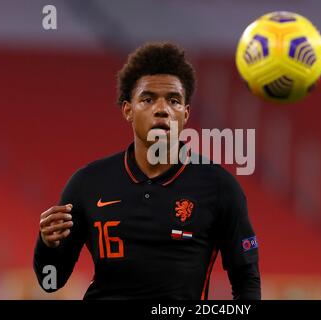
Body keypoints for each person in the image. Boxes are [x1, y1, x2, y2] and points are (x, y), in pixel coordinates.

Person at [33, 42, 261, 299]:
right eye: (148, 99)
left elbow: (246, 280)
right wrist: (48, 245)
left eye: (173, 100)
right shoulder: (88, 183)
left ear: (185, 114)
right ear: (128, 110)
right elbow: (50, 281)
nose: (161, 109)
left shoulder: (219, 186)